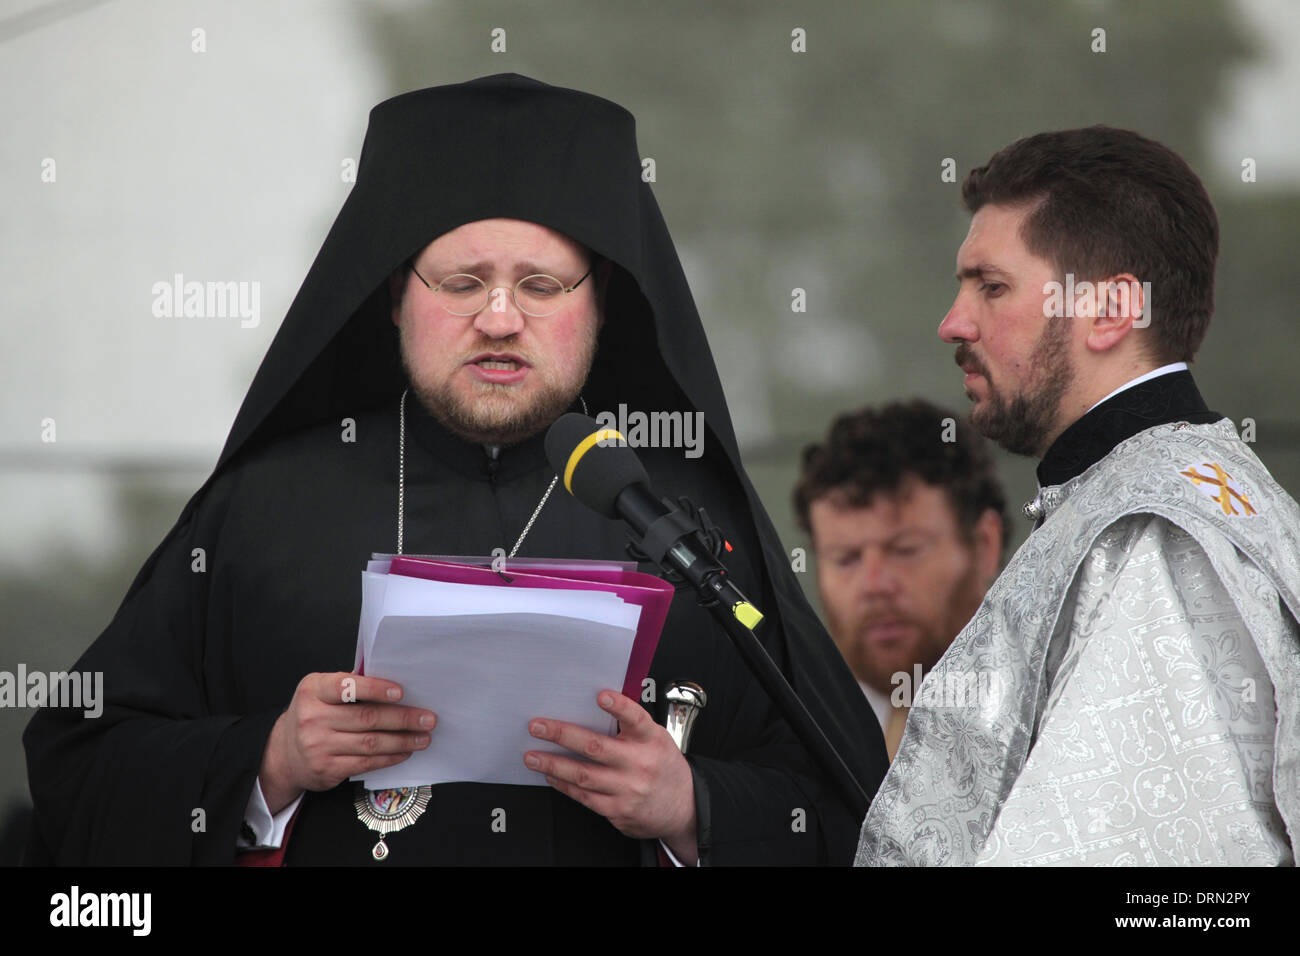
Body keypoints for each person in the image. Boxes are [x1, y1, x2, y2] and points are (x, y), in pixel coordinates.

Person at [23, 74, 887, 867]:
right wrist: (273, 762)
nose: (500, 318)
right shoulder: (260, 513)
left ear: (602, 302)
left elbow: (855, 813)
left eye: (542, 285)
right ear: (396, 294)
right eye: (462, 282)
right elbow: (77, 772)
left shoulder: (687, 523)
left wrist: (691, 807)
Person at [858, 126, 1300, 866]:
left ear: (1111, 310)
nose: (953, 322)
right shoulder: (1186, 490)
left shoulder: (1158, 533)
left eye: (991, 286)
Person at [793, 400, 1006, 760]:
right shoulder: (796, 739)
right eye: (845, 559)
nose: (874, 584)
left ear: (985, 544)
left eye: (906, 550)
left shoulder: (1055, 714)